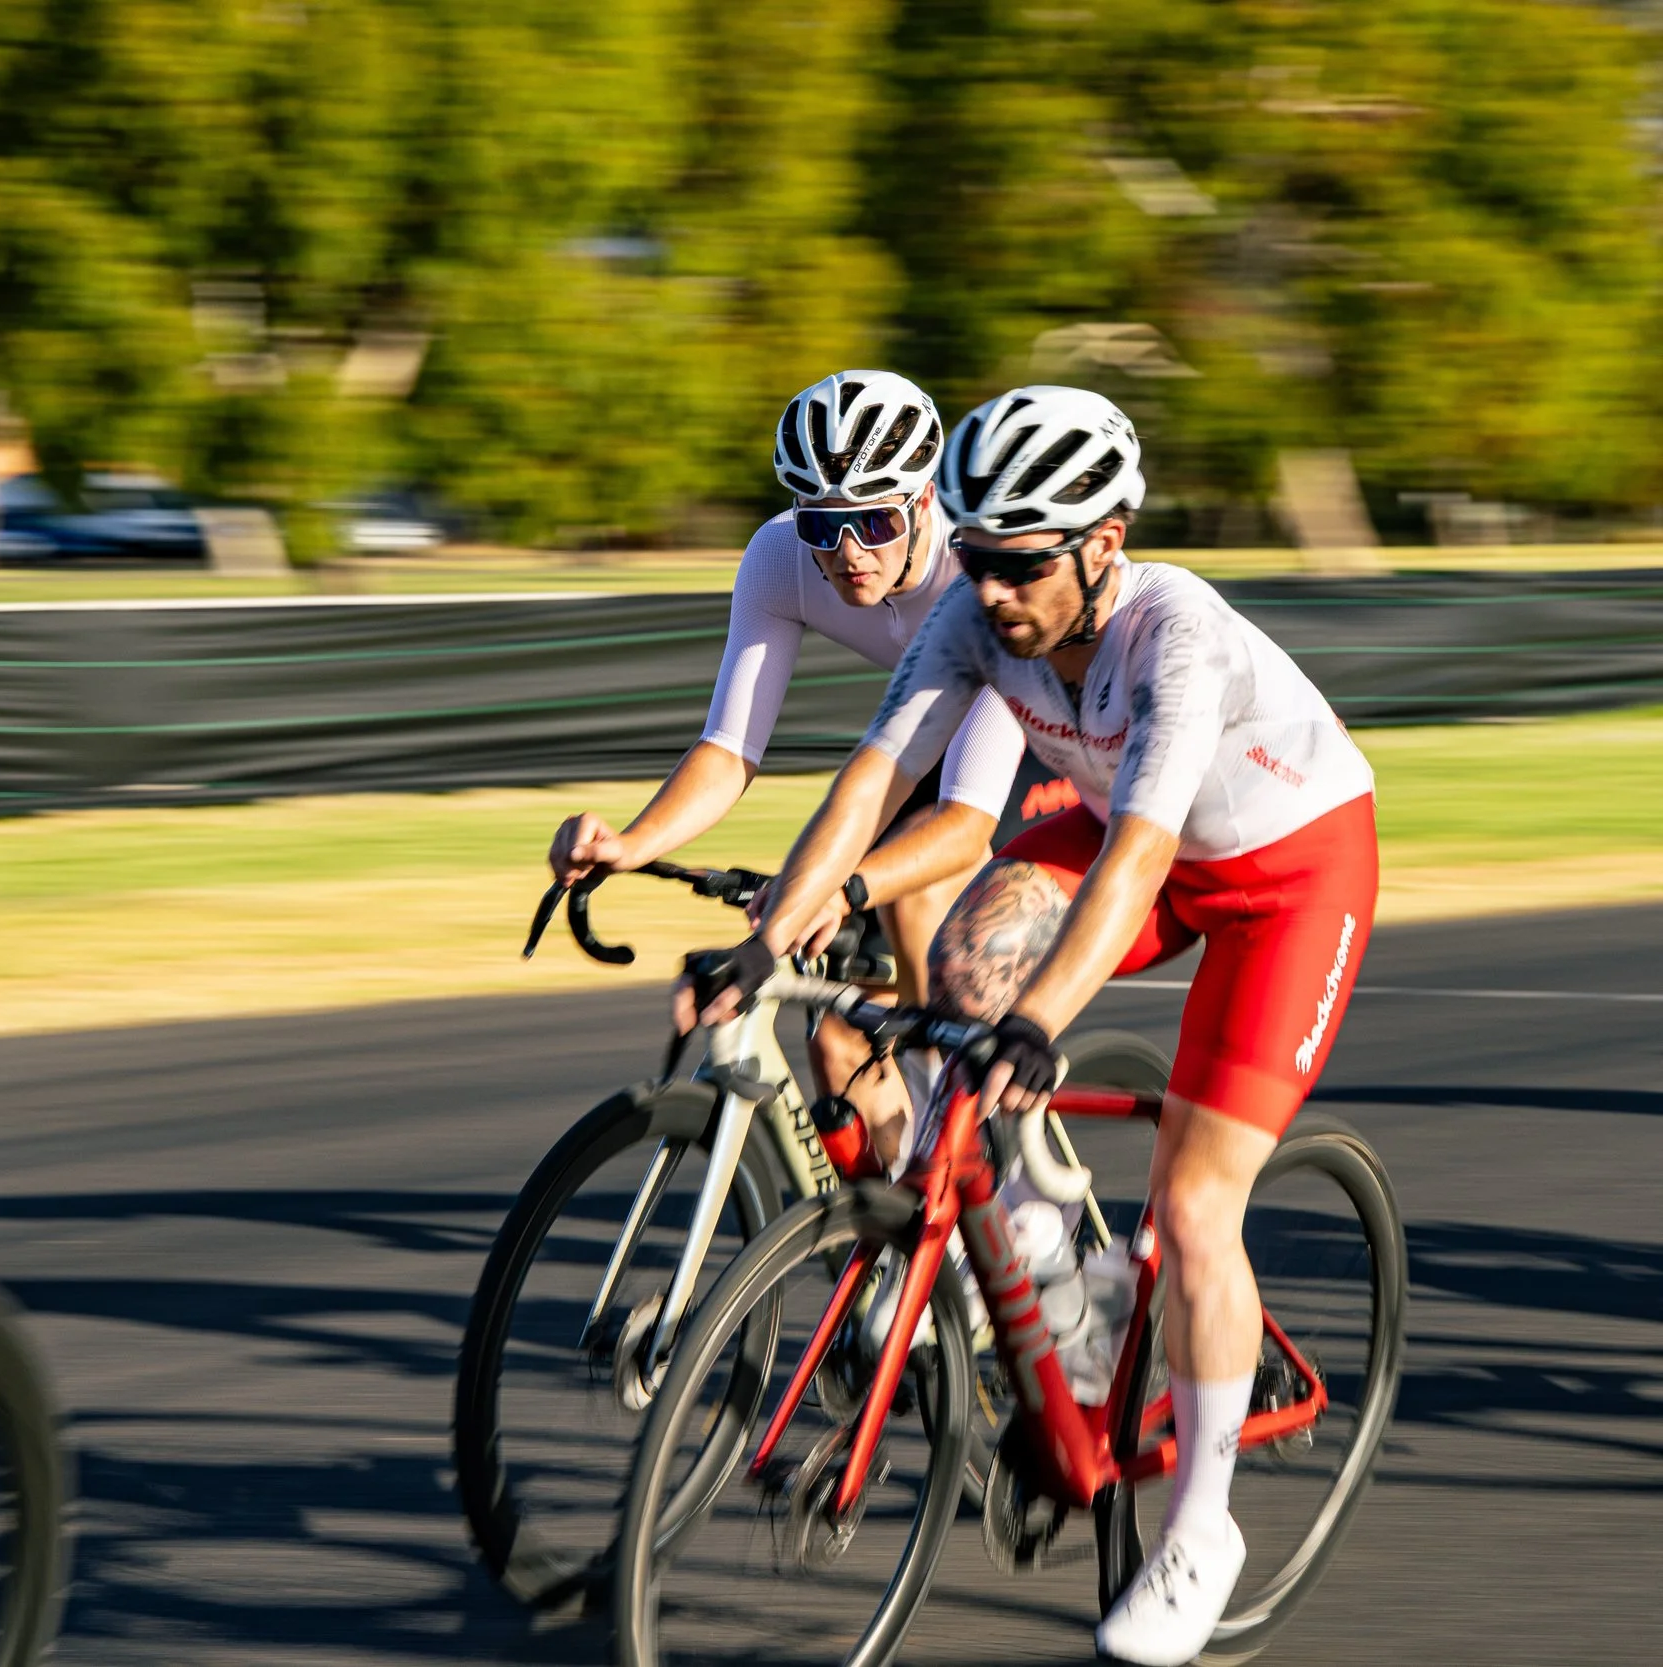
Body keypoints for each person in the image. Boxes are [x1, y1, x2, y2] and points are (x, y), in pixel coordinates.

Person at [690, 384, 1378, 1665]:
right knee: (959, 969)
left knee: (1194, 1204)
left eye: (1021, 563)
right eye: (974, 554)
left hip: (1283, 875)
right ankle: (1051, 1255)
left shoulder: (1179, 636)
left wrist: (1041, 1020)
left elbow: (1138, 860)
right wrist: (767, 937)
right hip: (1129, 840)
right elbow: (874, 779)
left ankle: (1202, 1531)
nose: (992, 589)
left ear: (1103, 543)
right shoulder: (973, 611)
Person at [551, 368, 1066, 1162]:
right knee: (840, 1036)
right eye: (822, 525)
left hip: (1051, 735)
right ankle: (897, 1227)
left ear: (925, 500)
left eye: (875, 520)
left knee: (922, 913)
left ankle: (1005, 1195)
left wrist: (839, 885)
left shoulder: (977, 574)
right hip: (934, 750)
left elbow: (965, 826)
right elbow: (729, 749)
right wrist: (629, 842)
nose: (849, 552)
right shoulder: (779, 556)